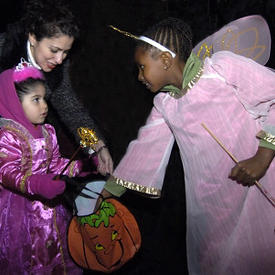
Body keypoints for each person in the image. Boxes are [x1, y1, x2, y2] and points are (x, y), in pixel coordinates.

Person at [102, 17, 275, 274]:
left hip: (257, 185)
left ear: (164, 60)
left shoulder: (222, 69)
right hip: (214, 208)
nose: (139, 76)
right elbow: (144, 149)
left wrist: (262, 156)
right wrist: (108, 193)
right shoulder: (166, 104)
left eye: (141, 67)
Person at [0, 0, 113, 176]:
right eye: (54, 50)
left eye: (66, 52)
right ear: (33, 37)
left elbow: (72, 111)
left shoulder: (57, 69)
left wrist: (98, 146)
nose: (60, 59)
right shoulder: (5, 50)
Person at [0, 60, 84, 273]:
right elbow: (7, 172)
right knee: (29, 257)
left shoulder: (48, 132)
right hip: (21, 212)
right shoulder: (8, 136)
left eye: (44, 98)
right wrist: (36, 183)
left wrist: (78, 167)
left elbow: (54, 163)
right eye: (36, 100)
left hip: (51, 211)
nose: (44, 106)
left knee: (55, 252)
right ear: (14, 102)